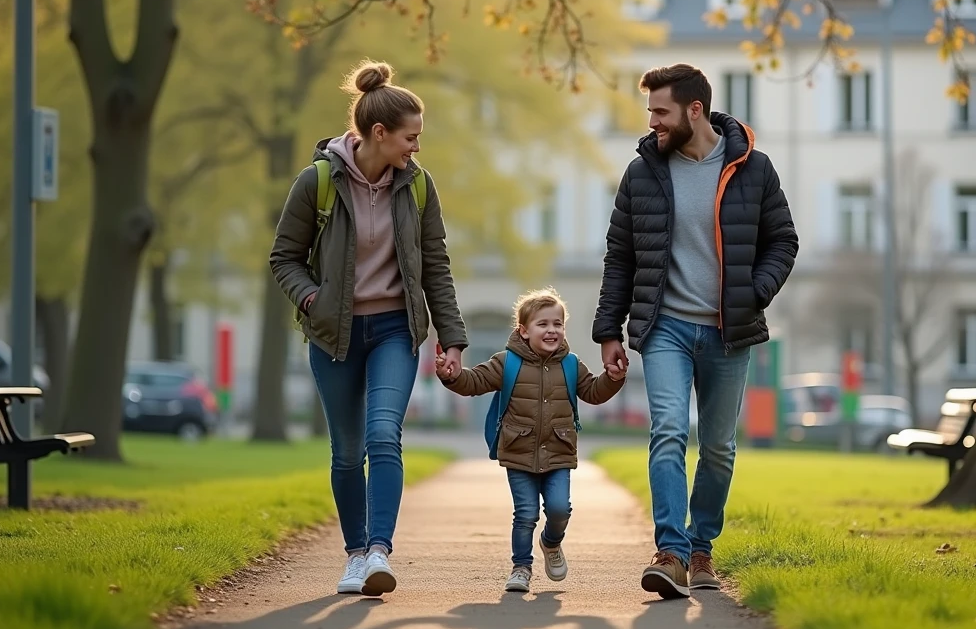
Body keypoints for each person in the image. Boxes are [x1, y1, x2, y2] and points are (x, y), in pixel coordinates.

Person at [593, 63, 798, 599]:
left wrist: (755, 292)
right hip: (665, 327)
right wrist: (608, 329)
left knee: (718, 447)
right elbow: (620, 257)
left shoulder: (753, 168)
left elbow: (783, 240)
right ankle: (671, 552)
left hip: (729, 330)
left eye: (661, 112)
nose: (652, 122)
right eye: (650, 112)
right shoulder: (642, 173)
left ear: (695, 109)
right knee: (667, 430)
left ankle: (701, 546)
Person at [270, 60, 466, 597]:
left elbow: (435, 265)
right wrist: (311, 298)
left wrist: (452, 338)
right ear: (379, 133)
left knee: (383, 435)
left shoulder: (418, 186)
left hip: (394, 331)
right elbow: (284, 258)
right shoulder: (317, 183)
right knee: (345, 451)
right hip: (333, 334)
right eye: (410, 137)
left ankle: (379, 551)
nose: (417, 147)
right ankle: (354, 554)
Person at [436, 287, 625, 593]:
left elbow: (593, 392)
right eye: (543, 324)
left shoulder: (571, 365)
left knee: (560, 509)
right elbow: (475, 382)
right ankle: (521, 567)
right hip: (518, 451)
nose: (552, 330)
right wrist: (452, 376)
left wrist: (613, 379)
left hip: (559, 451)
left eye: (558, 324)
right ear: (523, 331)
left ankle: (551, 542)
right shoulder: (506, 362)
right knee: (525, 514)